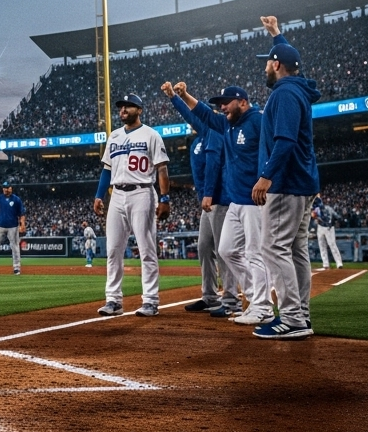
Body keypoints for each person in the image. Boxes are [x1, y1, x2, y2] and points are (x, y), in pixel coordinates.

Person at [173, 81, 273, 325]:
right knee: (227, 250)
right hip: (236, 201)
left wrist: (267, 178)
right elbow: (203, 114)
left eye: (226, 103)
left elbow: (276, 147)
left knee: (254, 253)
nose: (222, 108)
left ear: (242, 101)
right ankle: (253, 299)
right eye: (220, 105)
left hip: (254, 201)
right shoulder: (227, 125)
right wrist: (183, 95)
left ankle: (263, 307)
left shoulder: (258, 121)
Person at [251, 17, 321, 339]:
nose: (265, 67)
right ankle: (301, 315)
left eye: (268, 61)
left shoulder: (284, 94)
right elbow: (293, 61)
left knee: (272, 247)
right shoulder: (298, 87)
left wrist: (266, 176)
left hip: (287, 183)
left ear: (276, 65)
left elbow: (285, 140)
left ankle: (291, 318)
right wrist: (277, 35)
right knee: (295, 251)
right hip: (302, 183)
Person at [161, 81, 238, 316]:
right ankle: (210, 296)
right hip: (209, 203)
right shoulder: (204, 133)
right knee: (205, 247)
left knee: (224, 250)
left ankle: (231, 299)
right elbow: (190, 115)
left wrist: (208, 194)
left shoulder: (214, 134)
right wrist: (174, 97)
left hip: (220, 199)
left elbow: (214, 163)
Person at [93, 94, 170, 316]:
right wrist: (99, 195)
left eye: (128, 106)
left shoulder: (151, 135)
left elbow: (162, 169)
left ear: (140, 110)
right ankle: (113, 300)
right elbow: (107, 170)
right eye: (121, 107)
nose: (123, 110)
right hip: (116, 195)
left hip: (142, 193)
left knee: (146, 249)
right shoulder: (114, 136)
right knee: (113, 250)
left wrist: (164, 198)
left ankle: (151, 301)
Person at [0, 181, 25, 275]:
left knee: (14, 247)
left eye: (7, 187)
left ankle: (16, 267)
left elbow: (22, 213)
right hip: (0, 226)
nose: (5, 189)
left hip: (13, 227)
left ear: (11, 188)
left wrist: (22, 224)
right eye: (4, 187)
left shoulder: (16, 199)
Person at [312, 195, 343, 270]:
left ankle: (339, 263)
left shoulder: (329, 208)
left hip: (329, 228)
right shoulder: (316, 209)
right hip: (321, 227)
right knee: (322, 245)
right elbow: (313, 216)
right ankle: (325, 264)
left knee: (332, 244)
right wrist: (315, 218)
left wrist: (333, 222)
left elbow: (337, 217)